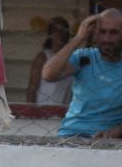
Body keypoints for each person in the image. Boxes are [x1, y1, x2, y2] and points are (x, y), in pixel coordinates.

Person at [42, 9, 122, 139]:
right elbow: (49, 74)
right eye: (102, 32)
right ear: (94, 33)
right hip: (72, 134)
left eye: (113, 33)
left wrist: (119, 131)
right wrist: (79, 37)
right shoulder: (84, 58)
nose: (106, 38)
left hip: (107, 139)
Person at [26, 16, 72, 104]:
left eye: (63, 30)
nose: (60, 34)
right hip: (43, 110)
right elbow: (32, 89)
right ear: (50, 33)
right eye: (56, 30)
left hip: (65, 111)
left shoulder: (72, 58)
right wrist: (31, 112)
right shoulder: (43, 57)